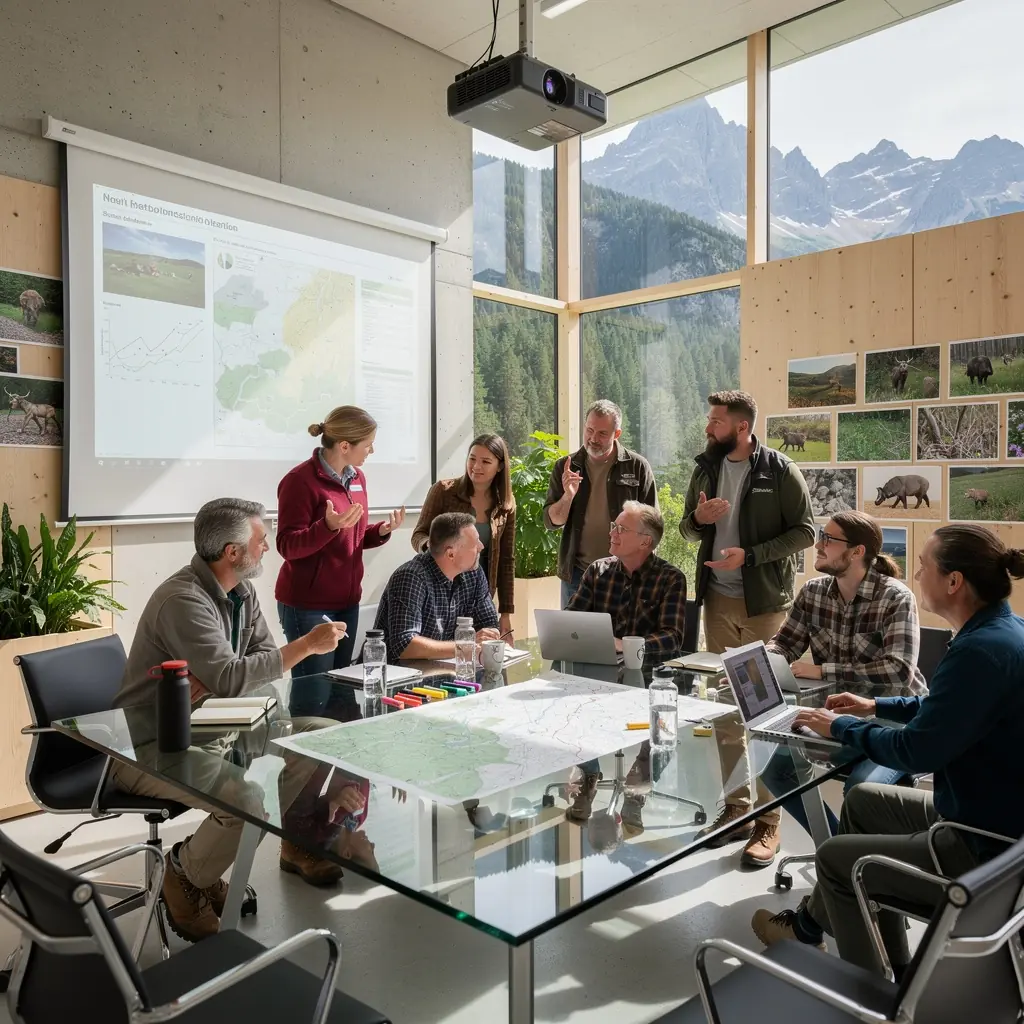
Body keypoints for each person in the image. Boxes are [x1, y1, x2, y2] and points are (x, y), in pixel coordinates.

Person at [751, 525, 1024, 977]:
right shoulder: (1001, 631)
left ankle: (868, 990)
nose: (916, 575)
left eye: (924, 567)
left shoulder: (979, 651)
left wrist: (843, 727)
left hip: (980, 849)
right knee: (861, 801)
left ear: (953, 582)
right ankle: (888, 958)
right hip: (990, 821)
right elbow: (940, 706)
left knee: (835, 860)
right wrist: (876, 704)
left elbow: (916, 751)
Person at [113, 498, 361, 943]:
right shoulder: (181, 600)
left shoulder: (241, 593)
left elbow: (254, 665)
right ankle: (184, 875)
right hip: (157, 744)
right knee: (246, 802)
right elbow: (234, 674)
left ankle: (295, 840)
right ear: (232, 551)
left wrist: (225, 678)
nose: (268, 546)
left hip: (220, 726)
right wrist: (302, 646)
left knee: (325, 737)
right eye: (260, 539)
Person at [680, 390, 814, 868]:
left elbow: (806, 532)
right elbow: (685, 529)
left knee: (763, 712)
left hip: (763, 606)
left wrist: (751, 555)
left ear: (741, 426)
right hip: (716, 602)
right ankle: (735, 809)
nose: (708, 428)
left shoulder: (779, 469)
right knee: (724, 710)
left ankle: (770, 822)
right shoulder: (707, 466)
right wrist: (698, 518)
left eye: (715, 420)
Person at [759, 512, 927, 840]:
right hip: (836, 718)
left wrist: (823, 670)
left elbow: (898, 672)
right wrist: (760, 666)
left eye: (828, 540)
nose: (818, 545)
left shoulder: (895, 597)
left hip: (894, 723)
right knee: (774, 770)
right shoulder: (813, 592)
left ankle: (841, 869)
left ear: (856, 552)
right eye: (822, 536)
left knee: (861, 788)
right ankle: (837, 851)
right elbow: (784, 644)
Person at [275, 406, 406, 698]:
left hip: (347, 603)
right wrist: (327, 527)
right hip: (309, 607)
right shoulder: (299, 481)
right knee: (315, 695)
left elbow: (352, 537)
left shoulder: (357, 478)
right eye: (368, 443)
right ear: (345, 445)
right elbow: (287, 546)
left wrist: (380, 531)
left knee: (343, 692)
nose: (372, 450)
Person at [543, 399, 658, 608]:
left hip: (626, 574)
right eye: (589, 430)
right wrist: (568, 496)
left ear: (617, 434)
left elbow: (653, 528)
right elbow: (552, 522)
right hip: (577, 574)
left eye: (602, 433)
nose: (593, 438)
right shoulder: (566, 467)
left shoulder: (638, 467)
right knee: (574, 638)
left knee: (621, 638)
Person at [411, 434, 516, 640]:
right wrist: (437, 551)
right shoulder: (443, 491)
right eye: (472, 458)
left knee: (481, 652)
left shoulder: (506, 504)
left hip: (481, 593)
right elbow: (419, 535)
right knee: (447, 652)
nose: (476, 466)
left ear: (500, 466)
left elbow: (506, 560)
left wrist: (505, 614)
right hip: (442, 588)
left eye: (486, 461)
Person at [374, 511, 500, 660]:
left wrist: (489, 635)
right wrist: (464, 647)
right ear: (451, 554)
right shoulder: (410, 577)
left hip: (446, 671)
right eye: (474, 544)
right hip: (393, 676)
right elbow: (405, 645)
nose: (481, 547)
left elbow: (489, 623)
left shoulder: (474, 573)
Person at [567, 501, 687, 655]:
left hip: (648, 672)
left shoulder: (671, 578)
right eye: (613, 526)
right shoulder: (597, 570)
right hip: (598, 664)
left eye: (621, 529)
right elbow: (571, 619)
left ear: (645, 541)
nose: (612, 533)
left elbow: (672, 638)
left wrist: (626, 646)